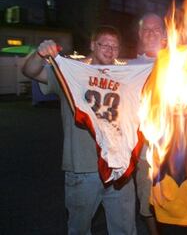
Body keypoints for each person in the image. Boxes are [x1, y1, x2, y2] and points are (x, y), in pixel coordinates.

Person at [22, 26, 137, 235]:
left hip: (119, 167)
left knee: (125, 230)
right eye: (105, 44)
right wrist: (40, 53)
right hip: (82, 169)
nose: (110, 50)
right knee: (79, 230)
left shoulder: (125, 77)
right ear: (93, 45)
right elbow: (30, 71)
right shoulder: (71, 72)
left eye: (115, 46)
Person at [129, 13, 166, 235]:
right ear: (139, 34)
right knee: (147, 202)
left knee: (182, 201)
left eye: (156, 29)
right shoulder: (128, 67)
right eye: (146, 30)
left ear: (165, 34)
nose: (151, 34)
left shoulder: (178, 62)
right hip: (145, 153)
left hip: (176, 151)